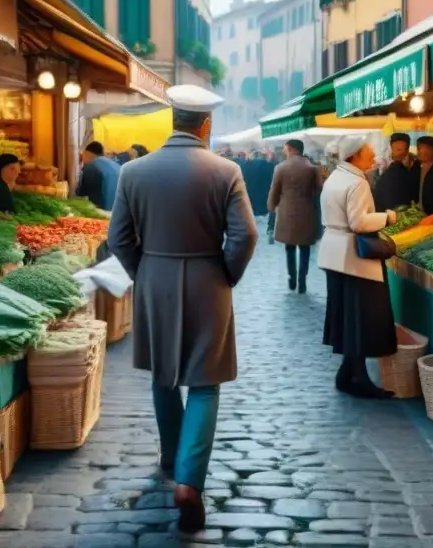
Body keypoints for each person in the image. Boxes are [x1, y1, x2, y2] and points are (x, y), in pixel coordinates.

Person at [107, 84, 257, 534]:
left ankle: (171, 455)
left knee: (163, 374)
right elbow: (245, 235)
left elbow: (117, 237)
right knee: (206, 384)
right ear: (205, 124)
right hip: (208, 280)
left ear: (173, 119)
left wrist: (144, 271)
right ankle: (190, 483)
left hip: (155, 277)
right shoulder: (225, 169)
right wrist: (226, 273)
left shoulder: (133, 171)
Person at [318, 135, 399, 399]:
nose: (373, 155)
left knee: (347, 317)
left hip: (334, 253)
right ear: (355, 155)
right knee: (361, 318)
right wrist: (387, 217)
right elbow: (359, 222)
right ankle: (359, 378)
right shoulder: (356, 182)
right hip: (354, 258)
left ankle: (347, 374)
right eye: (369, 151)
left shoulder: (335, 177)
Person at [267, 139, 323, 294]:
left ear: (291, 149)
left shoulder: (280, 168)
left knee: (289, 247)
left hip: (287, 212)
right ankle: (302, 280)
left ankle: (292, 278)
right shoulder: (311, 168)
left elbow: (275, 190)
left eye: (286, 149)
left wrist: (271, 206)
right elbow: (319, 189)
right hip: (307, 211)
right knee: (305, 248)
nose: (285, 152)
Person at [372, 132, 419, 212]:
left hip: (405, 205)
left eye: (403, 150)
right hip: (386, 205)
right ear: (391, 148)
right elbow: (376, 185)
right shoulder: (381, 163)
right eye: (397, 149)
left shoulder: (415, 162)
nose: (400, 153)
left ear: (407, 149)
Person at [76, 141, 121, 211]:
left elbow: (80, 197)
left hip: (103, 214)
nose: (82, 161)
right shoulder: (117, 166)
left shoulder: (91, 167)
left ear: (86, 153)